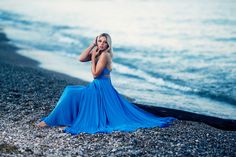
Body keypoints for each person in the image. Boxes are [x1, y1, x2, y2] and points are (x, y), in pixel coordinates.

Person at [37, 33, 176, 134]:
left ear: (109, 45)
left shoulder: (105, 55)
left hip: (102, 88)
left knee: (70, 92)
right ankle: (56, 119)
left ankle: (50, 121)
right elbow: (80, 58)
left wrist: (93, 58)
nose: (102, 44)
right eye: (100, 41)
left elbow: (96, 74)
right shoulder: (98, 51)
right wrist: (92, 44)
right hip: (96, 87)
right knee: (70, 91)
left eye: (105, 42)